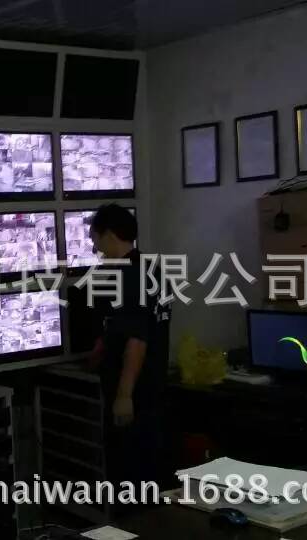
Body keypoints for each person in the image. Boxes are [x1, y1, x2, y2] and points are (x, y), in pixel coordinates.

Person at [86, 204, 171, 503]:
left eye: (95, 240)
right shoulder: (151, 269)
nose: (95, 248)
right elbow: (127, 326)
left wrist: (124, 395)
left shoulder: (128, 277)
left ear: (109, 236)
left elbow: (137, 339)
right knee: (147, 477)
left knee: (130, 482)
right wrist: (101, 348)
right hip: (153, 390)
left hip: (134, 396)